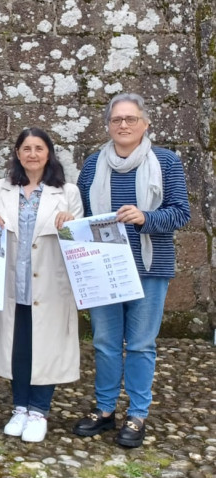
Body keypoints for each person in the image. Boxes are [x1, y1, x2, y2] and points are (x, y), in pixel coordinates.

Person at [72, 93, 190, 448]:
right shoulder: (93, 164)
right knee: (106, 343)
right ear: (108, 125)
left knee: (140, 344)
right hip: (103, 268)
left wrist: (145, 217)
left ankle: (137, 414)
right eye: (116, 120)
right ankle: (105, 410)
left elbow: (181, 213)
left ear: (145, 123)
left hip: (149, 268)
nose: (123, 125)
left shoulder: (165, 162)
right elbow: (81, 213)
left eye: (130, 119)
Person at [0, 128, 83, 442]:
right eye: (26, 148)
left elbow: (79, 243)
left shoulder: (67, 192)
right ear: (17, 153)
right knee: (19, 347)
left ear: (49, 153)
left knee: (46, 348)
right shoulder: (1, 188)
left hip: (50, 285)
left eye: (39, 148)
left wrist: (71, 224)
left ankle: (39, 411)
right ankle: (20, 408)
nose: (33, 154)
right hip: (14, 282)